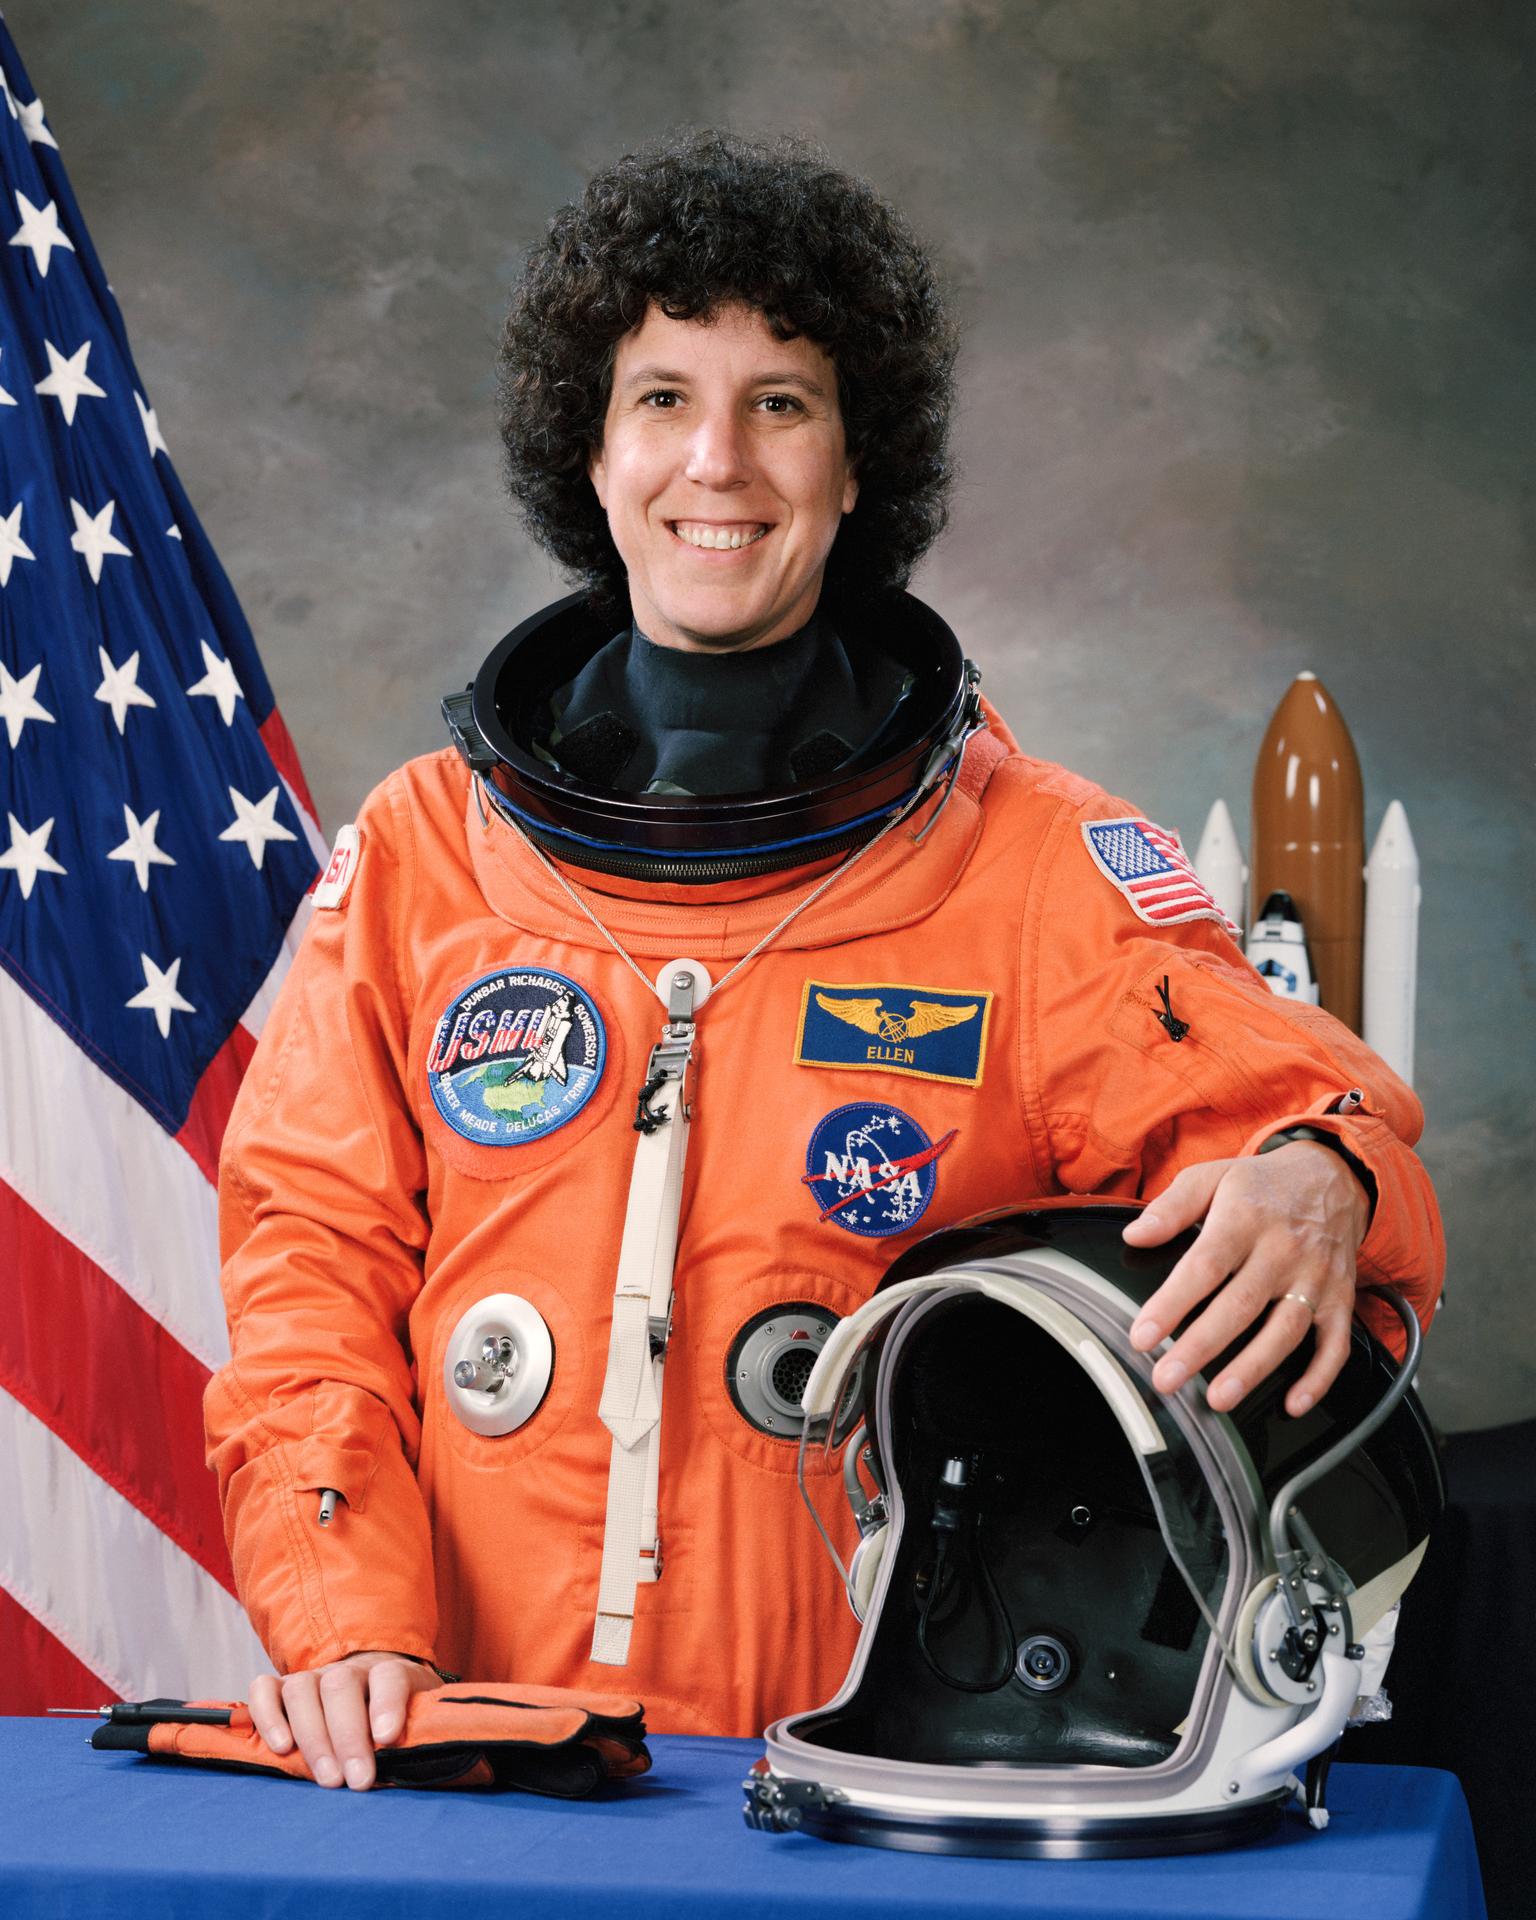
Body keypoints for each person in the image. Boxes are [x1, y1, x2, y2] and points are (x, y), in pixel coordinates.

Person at [206, 130, 1444, 1792]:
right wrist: (340, 1615)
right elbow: (309, 1272)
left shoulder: (1026, 863)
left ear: (860, 468)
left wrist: (1326, 1173)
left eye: (781, 402)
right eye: (661, 398)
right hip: (479, 1767)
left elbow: (1293, 1134)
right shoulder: (431, 855)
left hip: (875, 1783)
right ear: (590, 450)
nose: (716, 461)